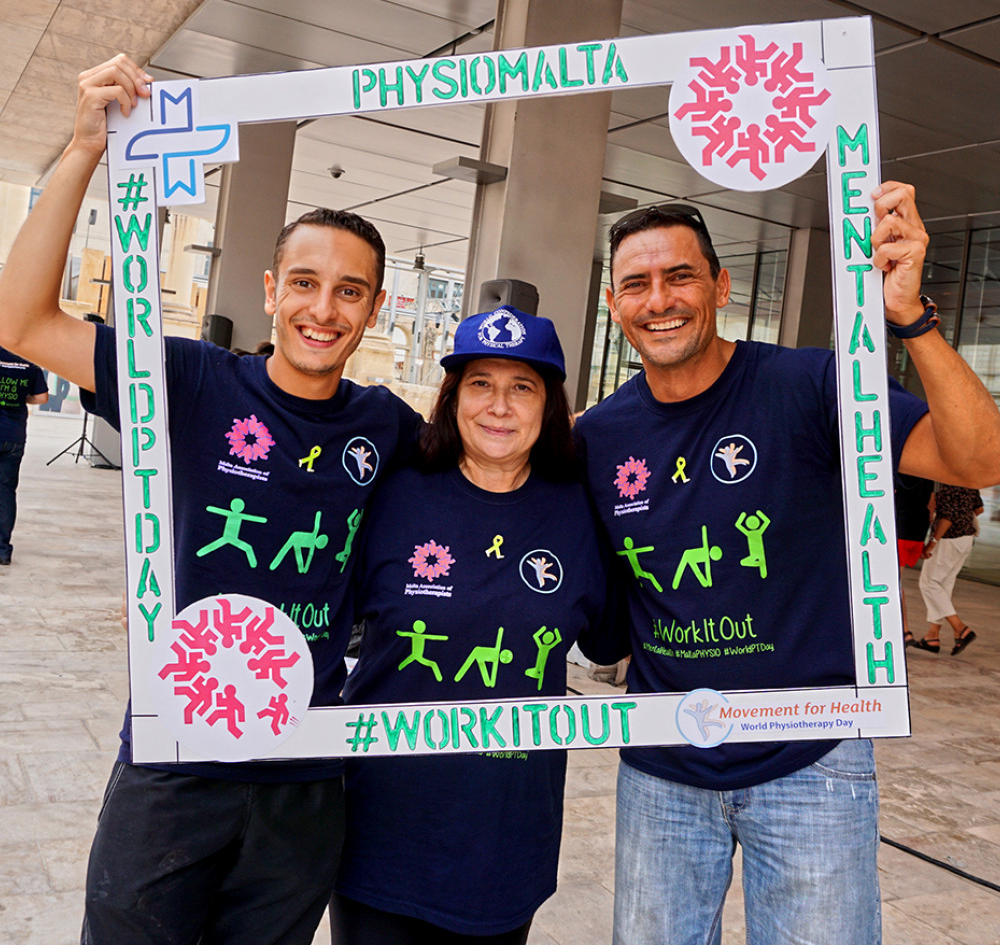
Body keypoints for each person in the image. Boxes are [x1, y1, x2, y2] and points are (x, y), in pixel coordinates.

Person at [0, 54, 421, 945]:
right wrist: (83, 151)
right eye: (304, 283)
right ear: (271, 291)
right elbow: (21, 322)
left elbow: (497, 468)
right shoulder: (184, 380)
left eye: (350, 292)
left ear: (374, 309)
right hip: (175, 754)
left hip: (304, 776)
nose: (323, 309)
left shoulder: (385, 423)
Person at [573, 188, 1000, 945]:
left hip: (813, 760)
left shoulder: (813, 386)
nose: (659, 299)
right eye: (637, 284)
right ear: (613, 303)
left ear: (721, 286)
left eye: (681, 276)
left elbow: (980, 458)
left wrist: (913, 319)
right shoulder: (600, 436)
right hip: (663, 765)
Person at [330, 306, 625, 945]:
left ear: (550, 406)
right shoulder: (393, 491)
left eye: (522, 386)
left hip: (504, 835)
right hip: (380, 826)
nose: (499, 406)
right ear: (451, 396)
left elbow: (612, 637)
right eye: (480, 384)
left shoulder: (580, 509)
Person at [913, 482, 983, 655]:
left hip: (949, 540)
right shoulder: (969, 481)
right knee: (943, 586)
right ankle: (932, 636)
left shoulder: (948, 486)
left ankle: (960, 628)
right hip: (966, 538)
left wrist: (932, 543)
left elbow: (947, 518)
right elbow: (979, 509)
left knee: (929, 584)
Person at [0, 346, 49, 566]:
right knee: (6, 492)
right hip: (14, 437)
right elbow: (42, 398)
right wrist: (22, 399)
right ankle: (2, 550)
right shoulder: (30, 362)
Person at [894, 472, 934, 646]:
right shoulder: (928, 476)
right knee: (897, 582)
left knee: (894, 584)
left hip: (901, 529)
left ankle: (904, 631)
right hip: (917, 534)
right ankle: (903, 630)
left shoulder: (898, 472)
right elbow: (931, 509)